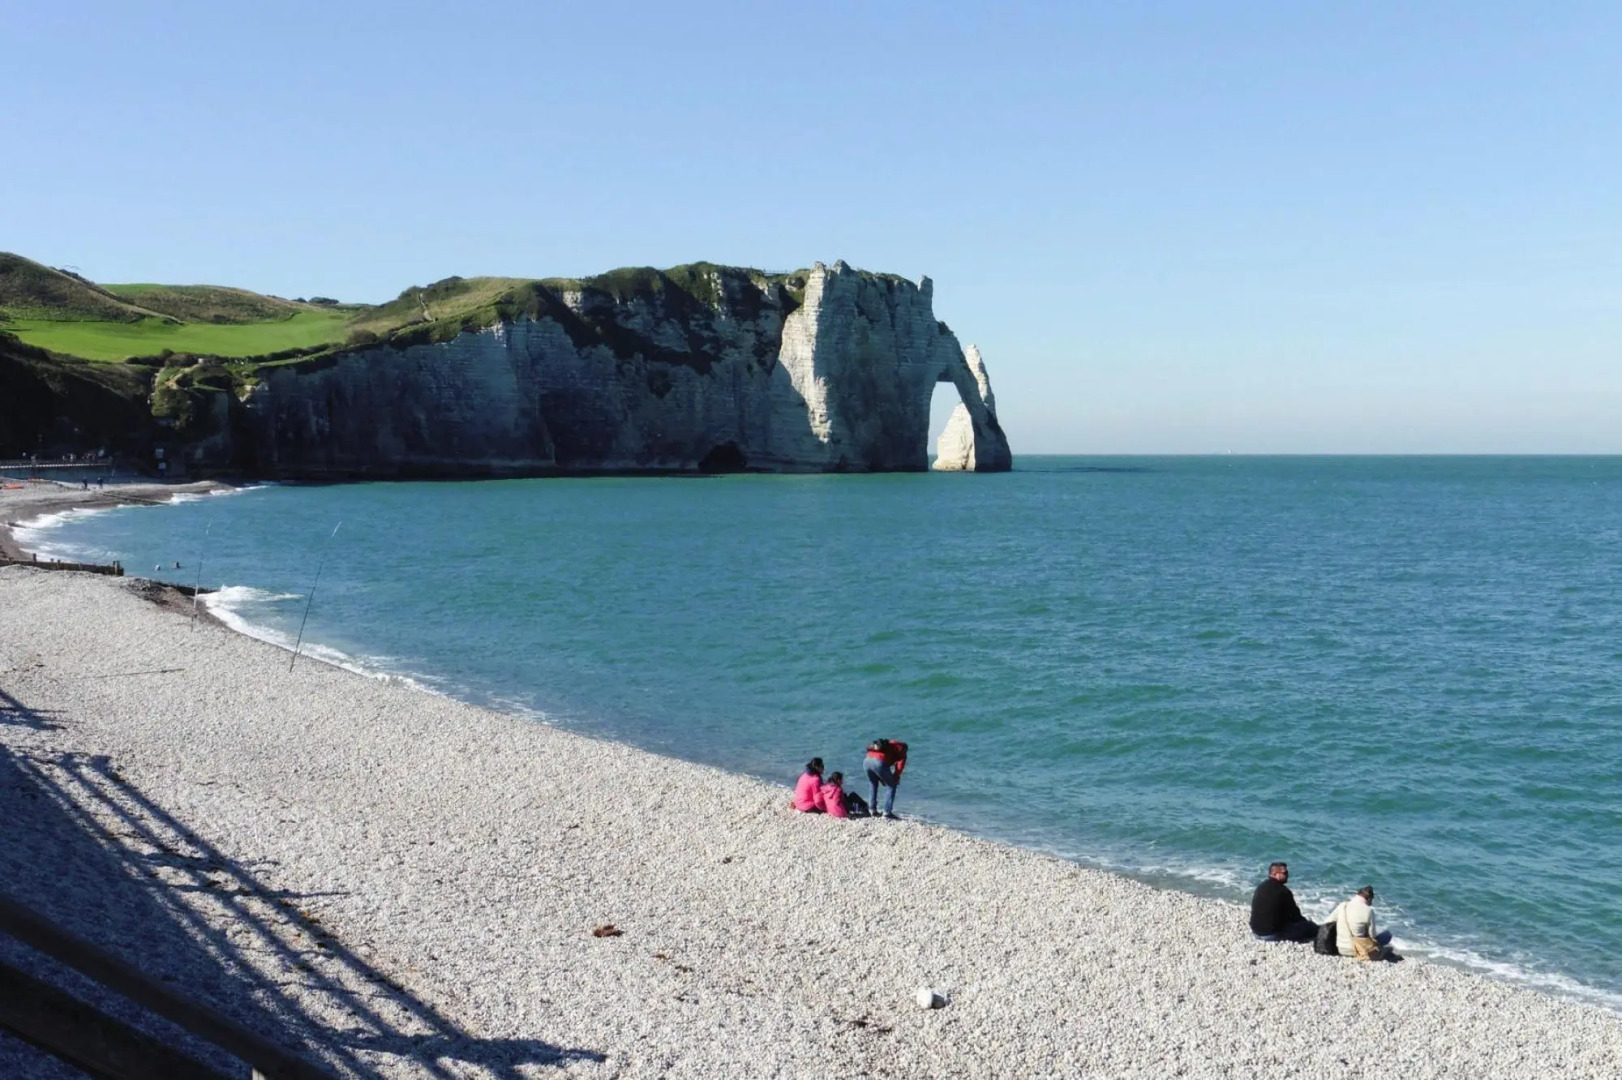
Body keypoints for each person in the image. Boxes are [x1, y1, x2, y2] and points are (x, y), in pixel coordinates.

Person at [1249, 862, 1317, 943]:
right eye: (1285, 873)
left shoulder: (1261, 886)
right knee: (1311, 927)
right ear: (1275, 874)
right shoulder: (1283, 891)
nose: (1288, 875)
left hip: (1255, 931)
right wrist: (1306, 924)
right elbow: (1295, 916)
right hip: (1271, 934)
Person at [1330, 886, 1393, 960]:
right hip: (1357, 949)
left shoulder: (1342, 906)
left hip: (1341, 948)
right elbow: (1372, 936)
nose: (1371, 903)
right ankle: (1380, 951)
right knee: (1387, 934)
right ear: (1369, 898)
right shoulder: (1368, 911)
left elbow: (1328, 922)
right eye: (1371, 900)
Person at [864, 738, 908, 819]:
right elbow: (900, 766)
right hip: (879, 762)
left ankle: (872, 810)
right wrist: (896, 777)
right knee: (892, 785)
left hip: (867, 760)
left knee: (873, 783)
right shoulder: (902, 750)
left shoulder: (890, 744)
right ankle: (887, 813)